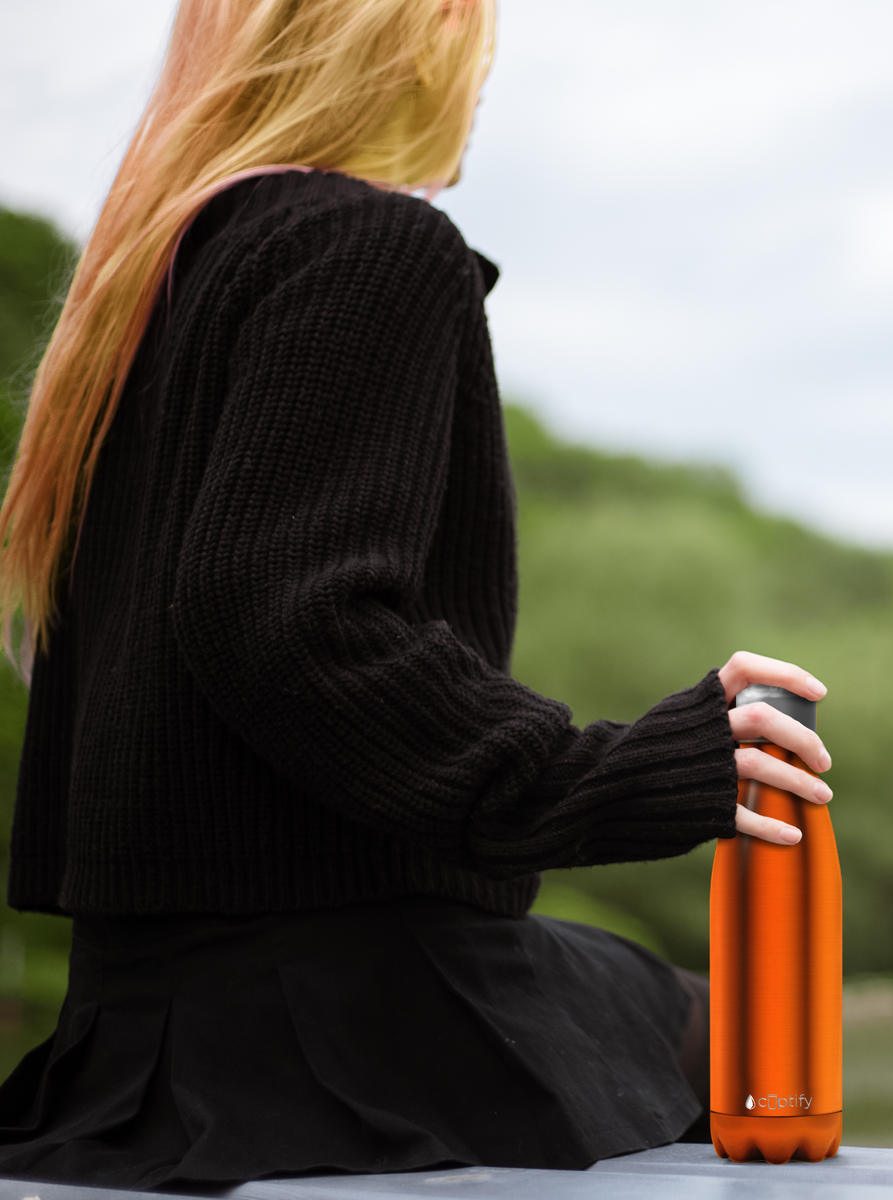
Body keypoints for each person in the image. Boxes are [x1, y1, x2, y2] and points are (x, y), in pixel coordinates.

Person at [0, 0, 833, 1188]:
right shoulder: (370, 245)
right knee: (744, 1035)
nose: (483, 74)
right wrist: (610, 776)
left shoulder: (140, 291)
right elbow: (285, 613)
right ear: (405, 43)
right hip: (332, 1031)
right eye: (470, 33)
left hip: (135, 1032)